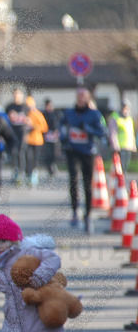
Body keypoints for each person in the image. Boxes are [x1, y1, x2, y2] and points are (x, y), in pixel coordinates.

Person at [60, 85, 106, 234]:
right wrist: (63, 137)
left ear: (88, 98)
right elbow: (61, 127)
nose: (81, 98)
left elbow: (101, 132)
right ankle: (75, 212)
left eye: (83, 96)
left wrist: (87, 128)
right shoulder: (69, 113)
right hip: (72, 150)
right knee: (73, 179)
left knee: (87, 184)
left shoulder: (94, 114)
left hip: (87, 152)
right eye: (78, 96)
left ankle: (88, 215)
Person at [4, 87, 30, 184]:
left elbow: (30, 120)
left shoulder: (25, 107)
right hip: (12, 132)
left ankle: (22, 172)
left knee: (21, 152)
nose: (16, 96)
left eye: (18, 94)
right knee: (14, 152)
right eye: (15, 94)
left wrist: (26, 120)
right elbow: (5, 120)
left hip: (22, 132)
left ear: (21, 95)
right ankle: (15, 171)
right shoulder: (9, 107)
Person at [23, 96, 49, 188]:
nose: (29, 108)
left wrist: (33, 126)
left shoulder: (38, 114)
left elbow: (44, 127)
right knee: (28, 158)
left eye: (29, 106)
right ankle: (28, 175)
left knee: (34, 159)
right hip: (28, 140)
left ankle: (34, 175)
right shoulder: (26, 115)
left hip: (37, 141)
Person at [109, 100, 136, 173]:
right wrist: (115, 146)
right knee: (119, 167)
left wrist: (133, 145)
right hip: (120, 147)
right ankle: (119, 182)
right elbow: (113, 132)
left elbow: (131, 133)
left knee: (125, 167)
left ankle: (123, 181)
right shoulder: (115, 117)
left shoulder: (129, 118)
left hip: (128, 146)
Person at [40, 98, 61, 177]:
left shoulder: (56, 114)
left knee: (55, 153)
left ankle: (54, 165)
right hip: (46, 136)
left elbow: (58, 124)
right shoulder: (43, 114)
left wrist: (57, 130)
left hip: (54, 136)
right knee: (47, 153)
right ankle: (49, 169)